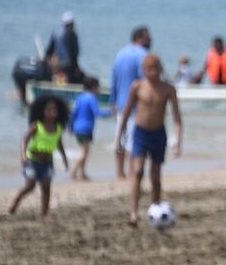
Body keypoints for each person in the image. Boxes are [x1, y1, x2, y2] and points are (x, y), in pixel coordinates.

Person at [116, 54, 183, 226]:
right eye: (149, 69)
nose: (153, 72)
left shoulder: (168, 89)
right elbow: (126, 113)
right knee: (137, 171)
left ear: (161, 70)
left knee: (155, 176)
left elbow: (177, 118)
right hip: (140, 133)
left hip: (158, 133)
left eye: (156, 68)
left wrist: (178, 141)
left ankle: (155, 209)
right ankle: (133, 212)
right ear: (144, 70)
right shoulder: (137, 87)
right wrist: (119, 138)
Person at [9, 95, 70, 220]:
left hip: (47, 162)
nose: (52, 112)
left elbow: (59, 143)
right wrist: (23, 156)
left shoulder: (58, 128)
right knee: (30, 186)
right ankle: (15, 203)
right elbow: (24, 141)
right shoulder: (37, 126)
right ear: (42, 111)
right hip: (32, 161)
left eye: (54, 110)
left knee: (46, 188)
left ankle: (44, 214)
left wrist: (64, 158)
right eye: (49, 110)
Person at [110, 26, 151, 179]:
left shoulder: (120, 53)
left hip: (121, 104)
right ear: (140, 38)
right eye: (148, 37)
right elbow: (146, 82)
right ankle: (133, 172)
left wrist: (112, 99)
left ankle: (120, 173)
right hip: (137, 105)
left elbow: (113, 77)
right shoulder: (143, 55)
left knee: (120, 138)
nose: (151, 40)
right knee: (134, 141)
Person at [69, 76, 109, 181]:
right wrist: (111, 111)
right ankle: (73, 170)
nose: (100, 90)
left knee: (84, 150)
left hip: (77, 128)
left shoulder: (80, 97)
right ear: (93, 87)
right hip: (86, 129)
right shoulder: (92, 98)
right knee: (84, 152)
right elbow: (98, 113)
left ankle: (83, 174)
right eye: (98, 87)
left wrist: (70, 127)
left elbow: (73, 114)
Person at [44, 11, 81, 83]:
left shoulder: (55, 32)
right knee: (74, 81)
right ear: (72, 23)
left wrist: (46, 60)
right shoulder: (72, 34)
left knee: (60, 81)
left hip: (58, 65)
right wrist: (76, 67)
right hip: (68, 65)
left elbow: (49, 49)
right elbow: (74, 53)